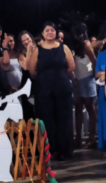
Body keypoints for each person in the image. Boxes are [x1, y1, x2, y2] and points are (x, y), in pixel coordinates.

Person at [28, 22, 75, 160]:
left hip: (62, 86)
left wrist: (59, 75)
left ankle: (63, 150)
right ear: (42, 34)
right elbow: (32, 70)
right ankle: (49, 149)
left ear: (56, 32)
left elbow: (71, 66)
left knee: (63, 117)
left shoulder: (63, 47)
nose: (50, 32)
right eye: (47, 30)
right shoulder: (37, 49)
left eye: (52, 30)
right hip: (44, 88)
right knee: (46, 118)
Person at [71, 24, 98, 149]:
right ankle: (78, 138)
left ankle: (92, 137)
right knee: (78, 108)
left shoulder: (86, 44)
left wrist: (92, 75)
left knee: (90, 107)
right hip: (77, 78)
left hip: (87, 77)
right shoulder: (73, 45)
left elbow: (94, 61)